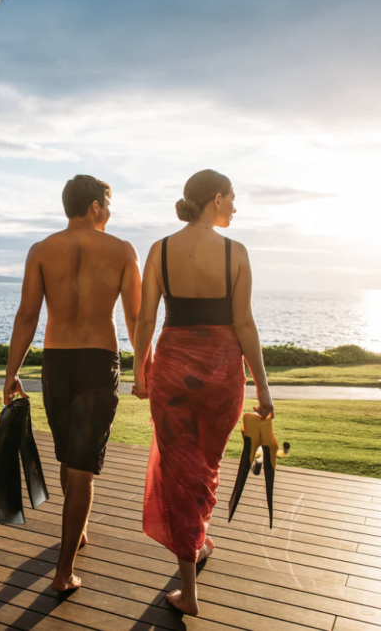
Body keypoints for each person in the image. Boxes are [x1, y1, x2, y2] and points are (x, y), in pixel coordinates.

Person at [131, 169, 273, 616]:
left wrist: (140, 370)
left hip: (172, 370)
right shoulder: (235, 252)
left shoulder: (160, 249)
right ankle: (190, 587)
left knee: (181, 470)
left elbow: (145, 322)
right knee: (205, 467)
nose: (235, 206)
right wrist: (264, 386)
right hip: (221, 372)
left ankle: (194, 556)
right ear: (216, 198)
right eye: (233, 198)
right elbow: (244, 324)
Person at [4, 174, 142, 593]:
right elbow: (135, 318)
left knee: (70, 457)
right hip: (98, 361)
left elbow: (27, 315)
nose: (110, 211)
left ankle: (75, 530)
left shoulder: (42, 250)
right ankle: (63, 572)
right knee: (81, 466)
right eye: (108, 203)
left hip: (57, 361)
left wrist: (12, 372)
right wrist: (145, 367)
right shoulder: (121, 250)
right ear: (96, 207)